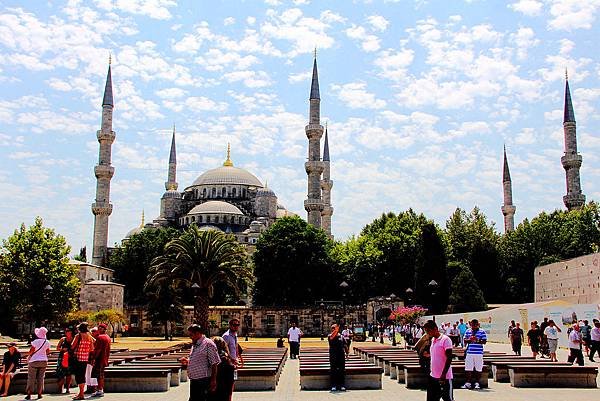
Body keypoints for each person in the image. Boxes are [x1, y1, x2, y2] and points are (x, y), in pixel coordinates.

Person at [181, 324, 220, 401]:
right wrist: (188, 361)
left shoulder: (208, 344)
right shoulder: (195, 344)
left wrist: (213, 380)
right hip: (194, 380)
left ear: (198, 333)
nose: (190, 337)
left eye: (191, 334)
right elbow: (200, 359)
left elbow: (214, 363)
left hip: (203, 381)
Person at [423, 320, 453, 401]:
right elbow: (437, 355)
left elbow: (449, 358)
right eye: (426, 331)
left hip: (444, 378)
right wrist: (428, 355)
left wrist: (443, 375)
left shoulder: (446, 339)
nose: (427, 333)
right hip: (433, 376)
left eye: (428, 331)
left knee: (447, 398)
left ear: (435, 328)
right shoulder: (433, 340)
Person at [25, 327, 51, 400]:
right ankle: (39, 394)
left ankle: (29, 394)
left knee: (31, 378)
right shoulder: (47, 342)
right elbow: (48, 352)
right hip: (43, 361)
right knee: (41, 378)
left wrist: (28, 356)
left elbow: (31, 351)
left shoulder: (35, 341)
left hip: (34, 361)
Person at [71, 322, 95, 400]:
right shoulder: (89, 337)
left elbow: (72, 346)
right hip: (85, 358)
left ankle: (81, 394)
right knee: (82, 375)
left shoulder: (78, 336)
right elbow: (92, 348)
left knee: (79, 376)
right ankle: (81, 393)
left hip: (78, 358)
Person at [462, 319, 486, 390]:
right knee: (468, 368)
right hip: (469, 352)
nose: (473, 326)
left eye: (475, 324)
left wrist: (477, 340)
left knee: (478, 368)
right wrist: (470, 339)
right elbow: (465, 340)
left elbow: (484, 341)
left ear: (477, 324)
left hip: (478, 353)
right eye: (472, 324)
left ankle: (477, 383)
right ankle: (468, 383)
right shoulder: (468, 331)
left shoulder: (482, 331)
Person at [222, 318, 242, 399]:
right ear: (230, 325)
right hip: (228, 365)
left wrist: (238, 357)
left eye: (237, 325)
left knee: (232, 383)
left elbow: (235, 348)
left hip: (234, 364)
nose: (236, 327)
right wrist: (232, 359)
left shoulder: (235, 335)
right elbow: (223, 351)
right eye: (234, 325)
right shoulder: (226, 336)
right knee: (228, 385)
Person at [210, 337, 235, 401]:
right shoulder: (227, 360)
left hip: (211, 390)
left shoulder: (209, 359)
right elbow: (231, 382)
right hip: (224, 391)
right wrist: (230, 397)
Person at [90, 323, 111, 397]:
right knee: (100, 375)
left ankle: (100, 390)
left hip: (99, 359)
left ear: (103, 329)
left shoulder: (100, 337)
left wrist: (93, 358)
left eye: (100, 328)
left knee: (99, 376)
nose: (98, 329)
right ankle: (100, 389)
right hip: (104, 358)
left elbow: (98, 350)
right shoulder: (107, 337)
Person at [328, 324, 345, 392]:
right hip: (333, 355)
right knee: (333, 370)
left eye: (334, 328)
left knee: (341, 370)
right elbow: (332, 337)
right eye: (333, 328)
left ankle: (342, 385)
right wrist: (336, 330)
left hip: (341, 355)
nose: (333, 329)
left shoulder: (341, 336)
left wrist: (347, 353)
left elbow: (344, 345)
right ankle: (333, 385)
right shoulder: (330, 336)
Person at [56, 328, 74, 394]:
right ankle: (60, 388)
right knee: (61, 374)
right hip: (62, 358)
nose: (68, 333)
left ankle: (68, 389)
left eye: (69, 331)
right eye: (66, 332)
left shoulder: (74, 339)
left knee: (69, 374)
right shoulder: (63, 339)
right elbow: (57, 348)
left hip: (70, 359)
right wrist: (62, 349)